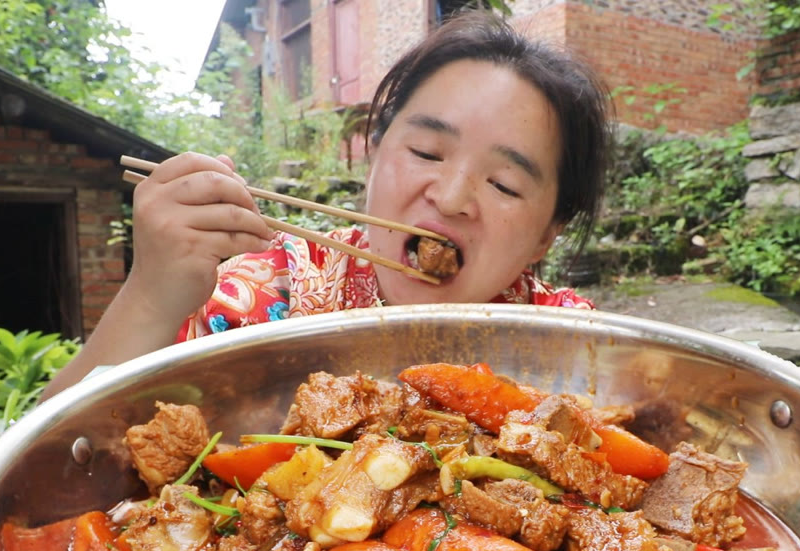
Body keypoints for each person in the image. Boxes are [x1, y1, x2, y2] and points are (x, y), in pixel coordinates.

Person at [43, 11, 612, 399]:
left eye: (506, 185)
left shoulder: (578, 355)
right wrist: (150, 295)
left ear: (548, 234)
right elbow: (49, 475)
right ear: (374, 150)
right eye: (426, 151)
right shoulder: (259, 300)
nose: (453, 196)